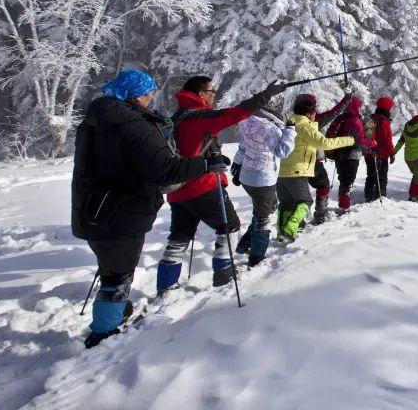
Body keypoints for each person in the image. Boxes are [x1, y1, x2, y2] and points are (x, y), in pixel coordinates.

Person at [72, 70, 219, 348]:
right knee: (118, 274)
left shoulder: (93, 122)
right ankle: (105, 331)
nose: (152, 97)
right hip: (122, 210)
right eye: (149, 92)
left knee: (111, 269)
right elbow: (166, 170)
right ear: (137, 95)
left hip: (92, 207)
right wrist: (206, 164)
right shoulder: (134, 125)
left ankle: (117, 312)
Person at [157, 76, 285, 297]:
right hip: (203, 185)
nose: (214, 94)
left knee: (179, 236)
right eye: (210, 91)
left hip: (178, 189)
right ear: (200, 94)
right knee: (230, 226)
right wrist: (266, 95)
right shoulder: (200, 115)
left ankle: (166, 286)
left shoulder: (177, 117)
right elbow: (234, 114)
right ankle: (224, 274)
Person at [276, 94, 355, 241]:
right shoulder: (306, 127)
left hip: (281, 172)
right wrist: (349, 140)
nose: (315, 115)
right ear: (309, 112)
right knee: (305, 201)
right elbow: (325, 143)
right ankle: (291, 227)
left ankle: (281, 233)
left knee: (286, 204)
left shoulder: (289, 123)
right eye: (314, 112)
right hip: (297, 171)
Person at [234, 104, 296, 266]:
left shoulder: (247, 124)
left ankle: (245, 244)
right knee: (264, 218)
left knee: (263, 210)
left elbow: (242, 148)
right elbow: (282, 151)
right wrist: (289, 130)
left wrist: (236, 166)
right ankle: (257, 257)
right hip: (263, 179)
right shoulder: (270, 129)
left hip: (247, 177)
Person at [308, 95, 353, 224]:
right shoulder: (313, 121)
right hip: (311, 161)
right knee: (323, 184)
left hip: (291, 164)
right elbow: (334, 112)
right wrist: (347, 99)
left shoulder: (292, 121)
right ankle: (320, 214)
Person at [326, 97, 376, 211]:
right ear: (355, 107)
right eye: (359, 106)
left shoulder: (340, 118)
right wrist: (372, 143)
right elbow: (360, 142)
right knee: (348, 182)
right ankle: (344, 207)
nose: (360, 108)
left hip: (339, 154)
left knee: (343, 180)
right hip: (352, 155)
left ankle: (343, 204)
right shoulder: (355, 121)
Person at [364, 96, 396, 202]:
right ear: (387, 108)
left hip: (369, 154)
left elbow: (367, 136)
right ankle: (379, 197)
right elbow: (387, 140)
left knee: (370, 176)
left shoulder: (371, 119)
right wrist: (392, 153)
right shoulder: (384, 121)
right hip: (381, 155)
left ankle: (368, 197)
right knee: (381, 177)